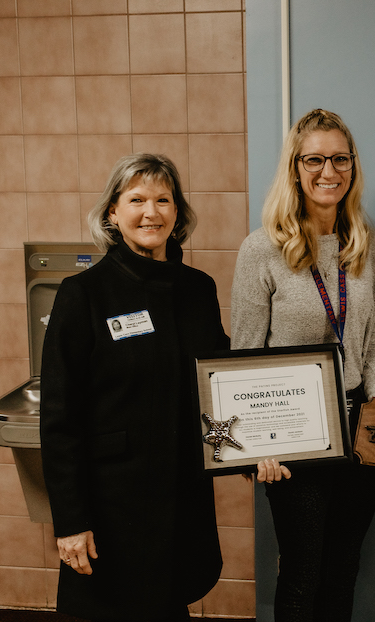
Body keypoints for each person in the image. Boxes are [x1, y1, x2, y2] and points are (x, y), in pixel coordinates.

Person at [231, 109, 375, 622]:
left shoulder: (371, 247)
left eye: (339, 159)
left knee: (343, 569)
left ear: (353, 166)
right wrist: (253, 448)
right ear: (295, 168)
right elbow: (245, 356)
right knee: (302, 572)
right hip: (293, 431)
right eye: (314, 159)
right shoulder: (262, 250)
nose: (327, 171)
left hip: (358, 425)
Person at [40, 153, 229, 621]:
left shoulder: (198, 289)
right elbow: (60, 418)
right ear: (112, 213)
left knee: (168, 605)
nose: (152, 212)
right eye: (137, 199)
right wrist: (70, 522)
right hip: (112, 508)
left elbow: (220, 382)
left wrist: (250, 446)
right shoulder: (82, 294)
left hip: (181, 497)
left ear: (178, 212)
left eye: (163, 199)